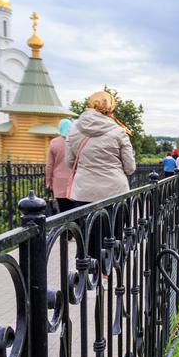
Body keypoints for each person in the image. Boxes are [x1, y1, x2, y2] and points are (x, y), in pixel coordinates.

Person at [66, 90, 136, 267]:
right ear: (111, 107)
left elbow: (69, 162)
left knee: (86, 235)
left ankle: (87, 270)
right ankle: (108, 271)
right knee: (112, 236)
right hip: (114, 192)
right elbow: (130, 168)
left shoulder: (74, 129)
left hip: (84, 192)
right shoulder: (119, 131)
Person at [45, 118, 74, 213]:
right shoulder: (75, 141)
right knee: (75, 211)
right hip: (74, 181)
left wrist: (48, 182)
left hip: (58, 182)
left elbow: (49, 165)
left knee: (63, 210)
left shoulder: (54, 142)